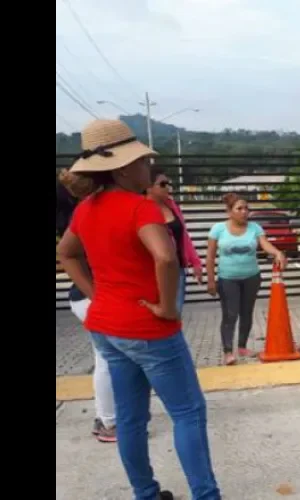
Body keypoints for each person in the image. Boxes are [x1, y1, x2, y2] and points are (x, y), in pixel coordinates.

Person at [56, 118, 220, 500]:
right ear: (124, 167)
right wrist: (165, 306)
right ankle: (207, 495)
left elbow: (66, 253)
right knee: (187, 413)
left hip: (106, 325)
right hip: (147, 328)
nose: (149, 166)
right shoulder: (140, 208)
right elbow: (164, 257)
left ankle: (145, 493)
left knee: (130, 418)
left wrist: (95, 293)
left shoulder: (86, 208)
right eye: (144, 161)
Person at [57, 174, 116, 444]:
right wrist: (97, 295)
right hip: (91, 297)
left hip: (87, 296)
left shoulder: (79, 214)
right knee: (107, 360)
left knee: (106, 358)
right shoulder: (87, 214)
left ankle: (105, 416)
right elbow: (67, 254)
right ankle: (108, 422)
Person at [207, 193, 286, 366]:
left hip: (251, 277)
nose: (244, 212)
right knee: (230, 314)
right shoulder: (218, 229)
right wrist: (211, 280)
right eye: (239, 209)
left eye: (246, 208)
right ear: (229, 211)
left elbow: (265, 245)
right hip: (228, 279)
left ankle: (242, 346)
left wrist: (277, 253)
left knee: (246, 312)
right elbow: (210, 257)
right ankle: (228, 351)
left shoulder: (255, 228)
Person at [146, 166, 203, 312]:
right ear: (148, 187)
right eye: (163, 184)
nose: (168, 187)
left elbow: (183, 235)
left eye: (169, 183)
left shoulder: (171, 205)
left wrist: (195, 261)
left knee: (176, 311)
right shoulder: (143, 209)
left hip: (178, 269)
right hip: (153, 271)